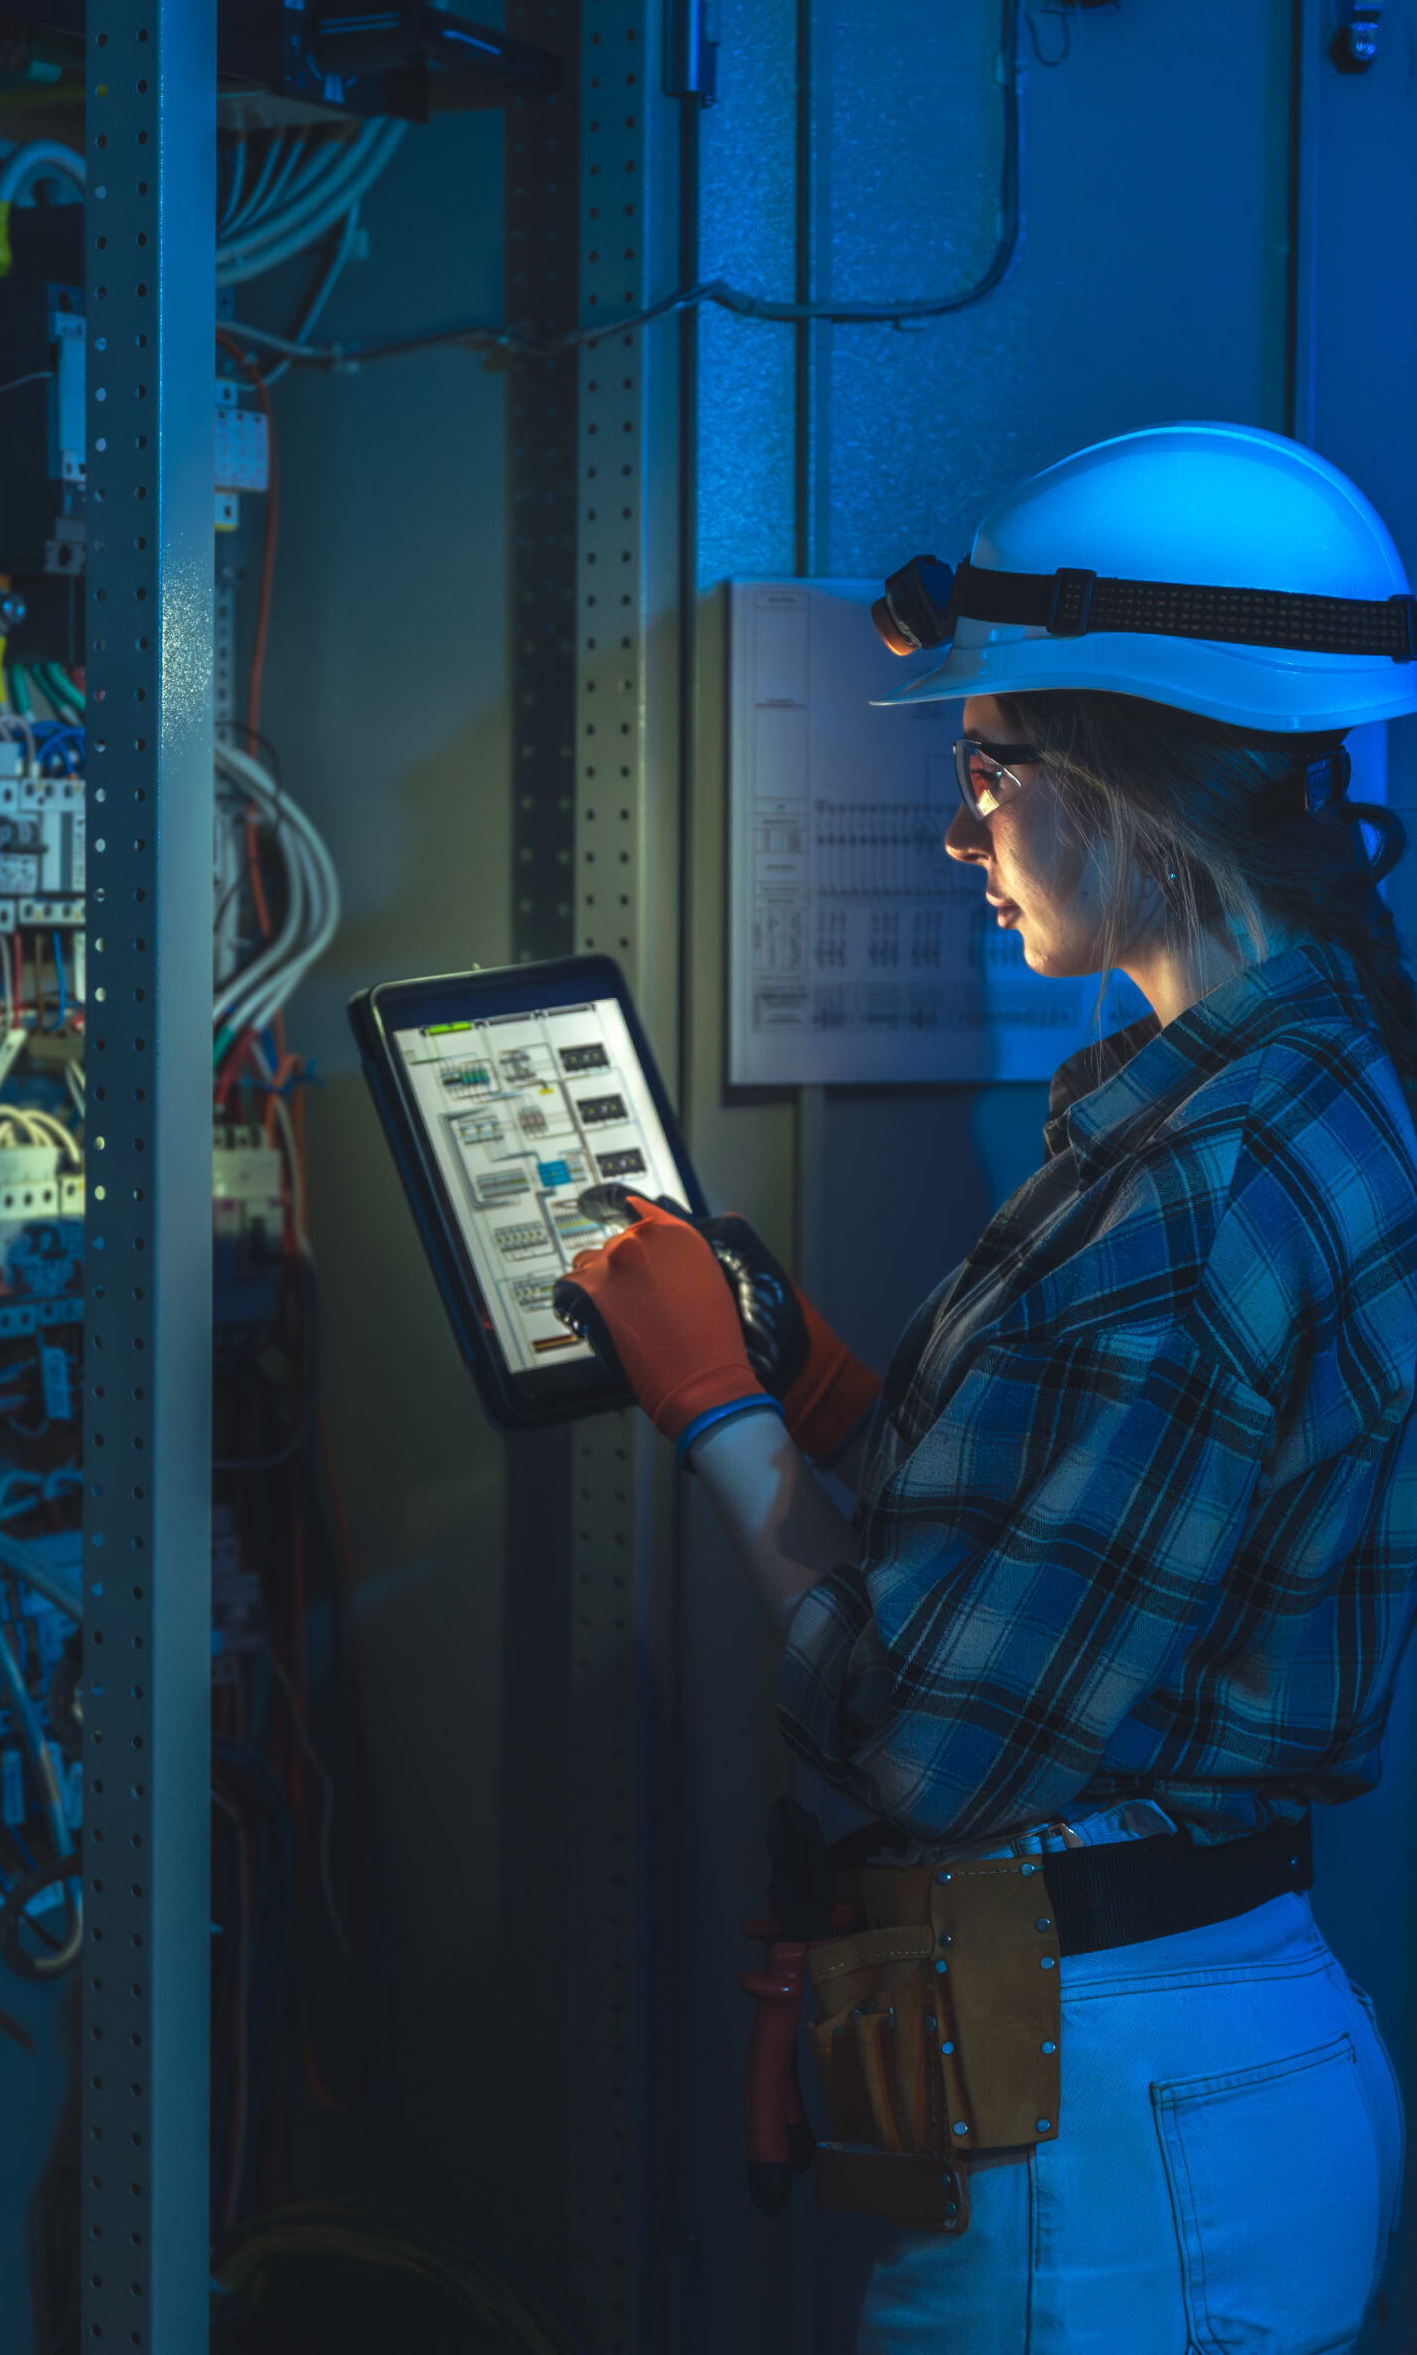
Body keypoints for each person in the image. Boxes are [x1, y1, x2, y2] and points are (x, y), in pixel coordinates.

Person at [557, 424, 1417, 2354]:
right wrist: (849, 1401)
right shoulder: (1301, 1089)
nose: (959, 834)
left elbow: (925, 1739)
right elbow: (1117, 1555)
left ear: (1130, 782)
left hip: (1109, 2131)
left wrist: (721, 1420)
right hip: (1199, 2061)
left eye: (985, 769)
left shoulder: (1196, 1189)